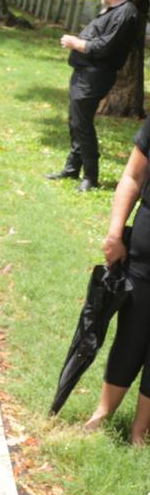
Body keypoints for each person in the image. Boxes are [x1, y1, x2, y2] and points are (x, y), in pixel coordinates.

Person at [83, 116, 150, 443]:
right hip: (145, 250)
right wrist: (114, 233)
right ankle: (103, 413)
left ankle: (141, 430)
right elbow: (133, 176)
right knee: (132, 332)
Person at [46, 0, 139, 192]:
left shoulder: (127, 13)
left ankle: (90, 176)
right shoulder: (113, 10)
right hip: (83, 74)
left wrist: (77, 43)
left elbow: (107, 47)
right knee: (75, 121)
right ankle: (72, 168)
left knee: (82, 124)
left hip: (95, 76)